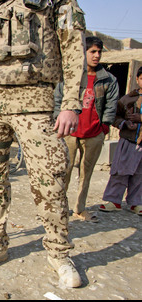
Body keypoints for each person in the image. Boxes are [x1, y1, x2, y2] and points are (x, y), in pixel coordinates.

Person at [0, 0, 87, 288]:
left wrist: (71, 104)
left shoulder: (58, 3)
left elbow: (74, 49)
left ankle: (59, 253)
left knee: (50, 181)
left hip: (36, 104)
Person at [55, 36, 119, 223]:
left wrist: (103, 128)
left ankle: (80, 208)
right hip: (69, 133)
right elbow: (58, 99)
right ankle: (60, 208)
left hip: (93, 134)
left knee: (86, 173)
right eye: (92, 51)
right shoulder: (70, 76)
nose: (97, 55)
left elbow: (111, 105)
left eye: (99, 52)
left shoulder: (108, 79)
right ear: (83, 53)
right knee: (63, 171)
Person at [99, 67, 142, 216]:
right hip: (128, 140)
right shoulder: (127, 99)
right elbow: (115, 116)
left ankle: (136, 203)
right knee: (119, 171)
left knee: (139, 174)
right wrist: (125, 124)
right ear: (137, 79)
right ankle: (114, 200)